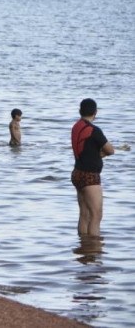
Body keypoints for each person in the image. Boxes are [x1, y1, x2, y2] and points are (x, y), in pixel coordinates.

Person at [71, 98, 114, 237]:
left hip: (77, 173)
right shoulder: (94, 130)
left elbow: (86, 151)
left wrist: (97, 154)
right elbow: (110, 150)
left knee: (84, 213)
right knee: (96, 215)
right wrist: (101, 154)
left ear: (80, 111)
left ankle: (83, 246)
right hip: (90, 176)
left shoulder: (76, 127)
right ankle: (93, 249)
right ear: (96, 112)